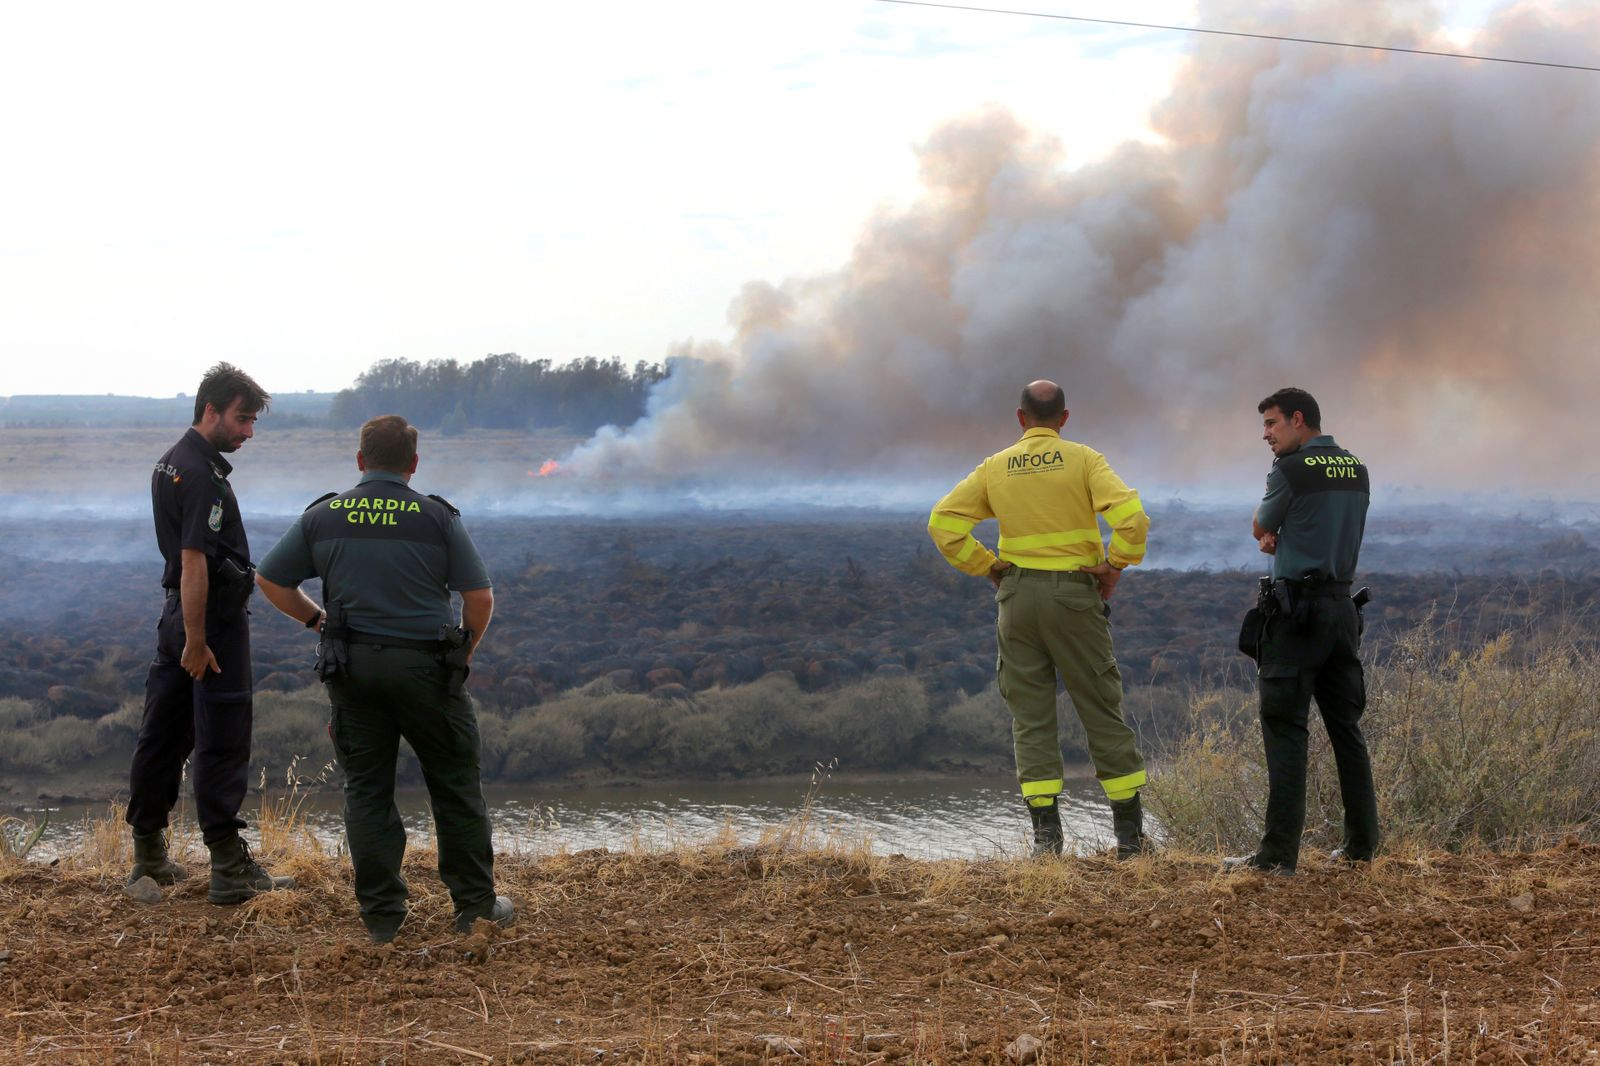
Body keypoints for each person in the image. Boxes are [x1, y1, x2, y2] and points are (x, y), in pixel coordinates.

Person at [254, 414, 511, 942]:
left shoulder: (323, 515)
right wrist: (464, 650)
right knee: (456, 786)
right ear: (414, 464)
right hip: (428, 671)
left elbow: (270, 580)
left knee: (367, 791)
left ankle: (382, 920)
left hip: (353, 671)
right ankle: (474, 910)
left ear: (359, 461)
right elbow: (479, 597)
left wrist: (316, 620)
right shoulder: (436, 517)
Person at [928, 381, 1152, 858]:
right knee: (1101, 709)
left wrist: (987, 565)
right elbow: (1133, 519)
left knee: (1030, 720)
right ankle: (1131, 842)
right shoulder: (1085, 460)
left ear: (1020, 418)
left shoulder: (996, 466)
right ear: (1064, 419)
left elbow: (943, 523)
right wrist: (1115, 565)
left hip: (1018, 600)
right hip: (1074, 598)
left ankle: (1047, 845)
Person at [126, 362, 295, 904]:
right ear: (211, 410)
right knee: (221, 735)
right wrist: (199, 641)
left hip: (176, 615)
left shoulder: (169, 462)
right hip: (208, 621)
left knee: (164, 733)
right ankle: (228, 868)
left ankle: (148, 858)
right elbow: (194, 559)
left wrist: (185, 633)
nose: (248, 432)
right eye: (242, 419)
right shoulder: (201, 474)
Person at [1226, 387, 1379, 876]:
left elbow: (1259, 526)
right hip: (1341, 611)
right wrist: (1288, 538)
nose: (1266, 435)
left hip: (1295, 618)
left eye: (1271, 424)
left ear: (1298, 419)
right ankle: (1361, 848)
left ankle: (1276, 858)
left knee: (1286, 731)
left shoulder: (1290, 469)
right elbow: (1326, 528)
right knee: (1346, 731)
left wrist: (1275, 537)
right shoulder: (1357, 468)